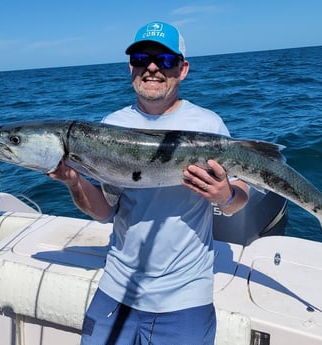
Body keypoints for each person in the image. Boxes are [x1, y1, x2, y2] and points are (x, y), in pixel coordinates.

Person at [49, 21, 249, 345]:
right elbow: (104, 211)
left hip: (185, 296)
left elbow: (241, 198)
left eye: (165, 60)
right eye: (142, 58)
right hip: (117, 287)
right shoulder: (111, 125)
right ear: (131, 67)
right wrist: (73, 181)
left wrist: (225, 196)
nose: (152, 67)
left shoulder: (209, 124)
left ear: (182, 70)